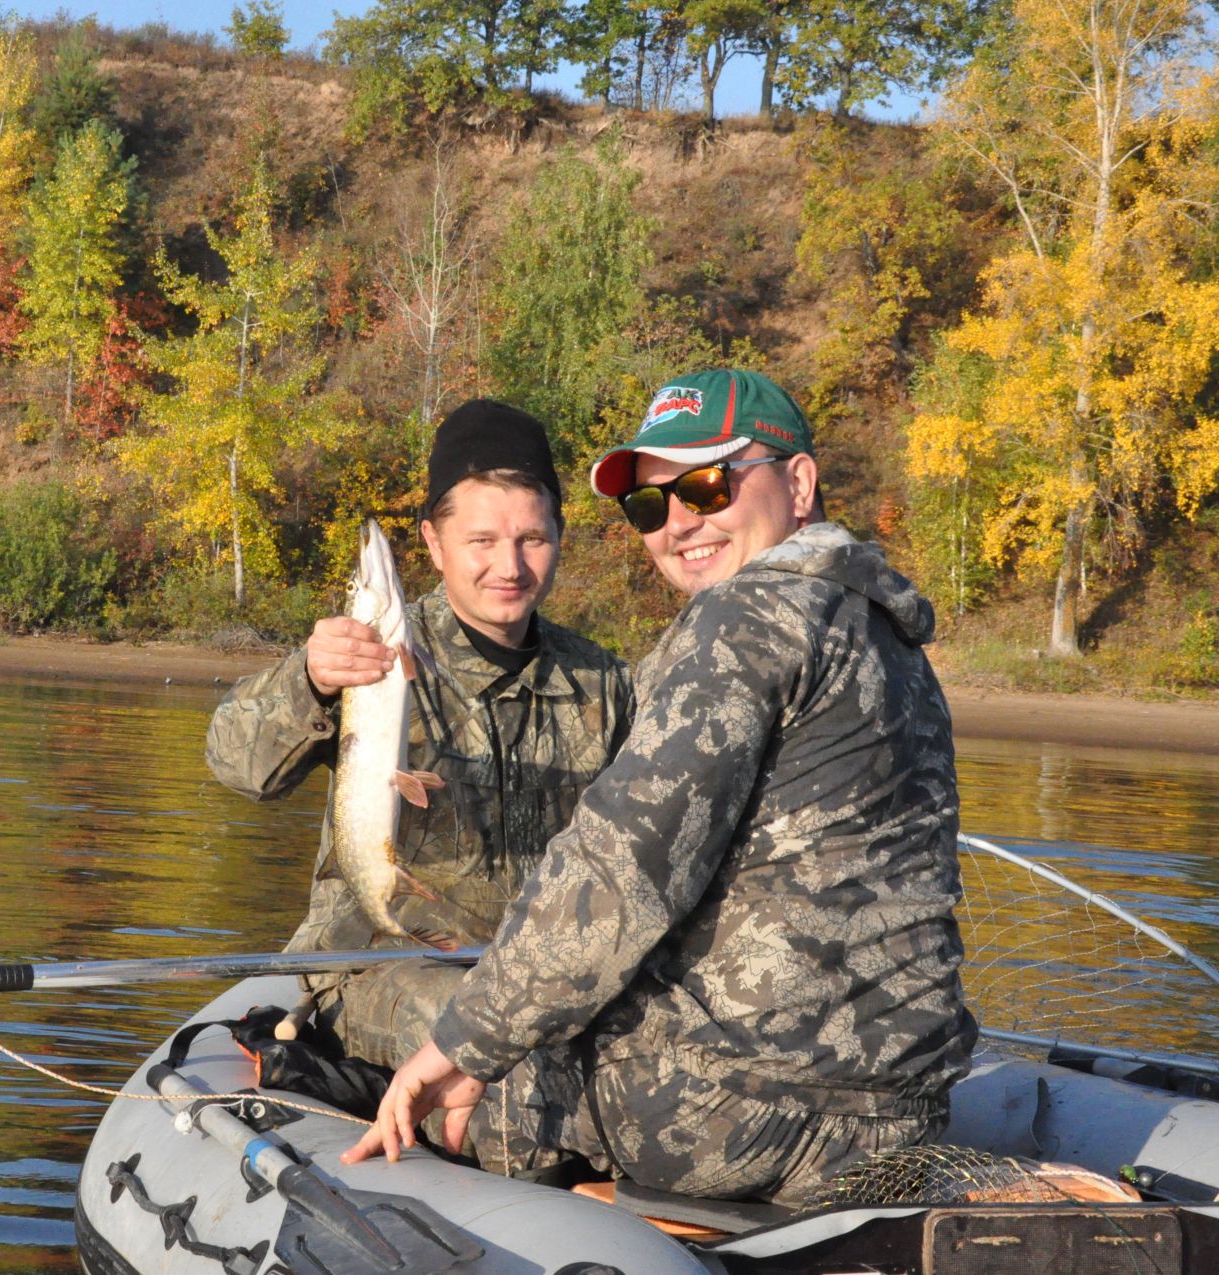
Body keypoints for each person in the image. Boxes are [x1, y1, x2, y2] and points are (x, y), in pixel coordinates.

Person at [343, 368, 977, 1205]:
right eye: (651, 504)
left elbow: (616, 876)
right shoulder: (885, 630)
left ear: (798, 482)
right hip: (902, 1116)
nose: (679, 522)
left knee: (427, 1031)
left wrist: (460, 1049)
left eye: (708, 485)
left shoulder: (742, 621)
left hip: (735, 1117)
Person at [206, 398, 634, 1085]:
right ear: (435, 545)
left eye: (532, 538)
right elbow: (235, 761)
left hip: (537, 977)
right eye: (483, 540)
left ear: (560, 536)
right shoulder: (367, 657)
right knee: (485, 1039)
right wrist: (309, 681)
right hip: (377, 964)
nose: (511, 565)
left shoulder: (607, 685)